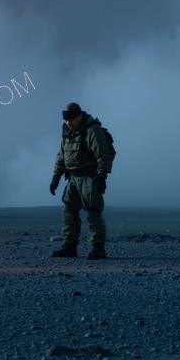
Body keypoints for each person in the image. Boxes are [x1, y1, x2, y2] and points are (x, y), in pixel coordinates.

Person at [49, 102, 115, 260]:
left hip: (89, 177)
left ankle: (98, 248)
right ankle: (69, 247)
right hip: (73, 178)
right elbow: (61, 156)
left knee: (93, 212)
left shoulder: (92, 130)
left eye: (71, 119)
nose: (68, 123)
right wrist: (55, 178)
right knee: (69, 211)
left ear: (79, 116)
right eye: (66, 120)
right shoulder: (67, 132)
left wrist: (102, 176)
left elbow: (103, 155)